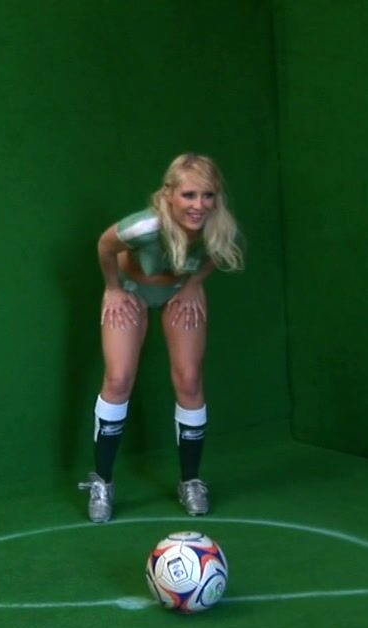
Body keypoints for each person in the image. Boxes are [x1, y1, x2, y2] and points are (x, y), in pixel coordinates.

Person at [79, 153, 244, 522]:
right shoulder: (145, 226)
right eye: (189, 195)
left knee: (189, 379)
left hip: (177, 293)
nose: (199, 205)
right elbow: (106, 245)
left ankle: (190, 481)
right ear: (169, 194)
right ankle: (102, 482)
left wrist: (194, 284)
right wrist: (112, 289)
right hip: (131, 291)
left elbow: (214, 255)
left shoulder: (219, 225)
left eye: (207, 195)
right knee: (118, 378)